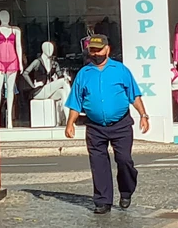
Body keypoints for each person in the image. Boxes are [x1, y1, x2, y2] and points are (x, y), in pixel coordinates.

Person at [64, 35, 149, 214]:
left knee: (124, 160)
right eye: (92, 50)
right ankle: (103, 201)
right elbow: (76, 102)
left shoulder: (121, 70)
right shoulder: (84, 74)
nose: (96, 53)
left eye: (99, 50)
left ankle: (126, 190)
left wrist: (143, 115)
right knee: (98, 163)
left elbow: (134, 95)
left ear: (107, 49)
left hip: (121, 125)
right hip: (95, 127)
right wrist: (70, 123)